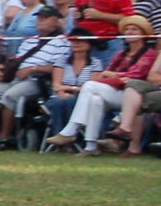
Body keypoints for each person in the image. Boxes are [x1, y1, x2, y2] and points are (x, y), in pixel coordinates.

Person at [47, 16, 157, 154]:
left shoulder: (149, 54)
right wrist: (115, 76)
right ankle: (90, 146)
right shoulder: (121, 54)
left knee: (89, 86)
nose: (129, 32)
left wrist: (113, 75)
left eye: (134, 29)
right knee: (95, 99)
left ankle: (71, 130)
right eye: (127, 29)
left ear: (143, 34)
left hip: (133, 94)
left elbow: (135, 75)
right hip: (117, 90)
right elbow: (105, 74)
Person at [0, 4, 69, 149]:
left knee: (10, 96)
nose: (40, 21)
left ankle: (5, 137)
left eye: (45, 18)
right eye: (39, 18)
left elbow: (60, 67)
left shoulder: (62, 42)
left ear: (55, 22)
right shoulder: (29, 40)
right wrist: (1, 68)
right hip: (16, 77)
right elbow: (16, 59)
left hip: (37, 80)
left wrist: (33, 69)